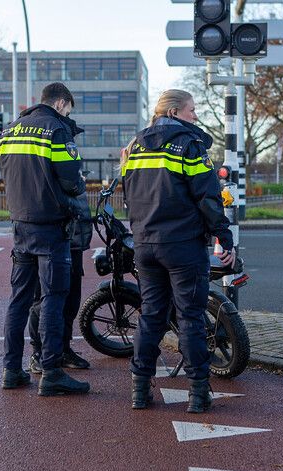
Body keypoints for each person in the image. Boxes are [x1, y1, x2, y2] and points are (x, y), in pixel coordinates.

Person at [121, 89, 234, 413]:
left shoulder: (135, 145)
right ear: (173, 112)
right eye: (192, 110)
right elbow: (208, 196)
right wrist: (222, 235)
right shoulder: (189, 145)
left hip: (145, 245)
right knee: (190, 318)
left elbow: (128, 193)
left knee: (151, 316)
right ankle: (198, 393)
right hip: (183, 246)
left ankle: (140, 391)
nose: (195, 116)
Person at [0, 82, 90, 396]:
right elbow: (73, 181)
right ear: (62, 103)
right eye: (69, 109)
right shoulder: (56, 130)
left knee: (19, 300)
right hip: (51, 228)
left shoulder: (9, 132)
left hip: (20, 225)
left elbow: (5, 173)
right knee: (53, 298)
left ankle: (12, 370)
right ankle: (51, 371)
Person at [27, 187, 93, 374]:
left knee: (71, 299)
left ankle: (63, 349)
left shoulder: (70, 160)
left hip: (73, 237)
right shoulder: (46, 163)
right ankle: (37, 353)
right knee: (43, 299)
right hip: (52, 238)